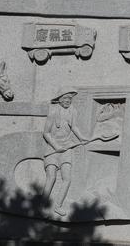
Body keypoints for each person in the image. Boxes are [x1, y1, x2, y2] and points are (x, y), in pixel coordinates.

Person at [42, 88, 89, 216]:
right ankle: (42, 206)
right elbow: (46, 133)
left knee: (67, 179)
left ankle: (58, 206)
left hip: (66, 148)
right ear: (59, 99)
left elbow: (74, 127)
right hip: (52, 149)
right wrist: (56, 146)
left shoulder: (73, 111)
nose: (68, 100)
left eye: (70, 98)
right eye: (65, 98)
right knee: (51, 177)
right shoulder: (53, 112)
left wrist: (82, 138)